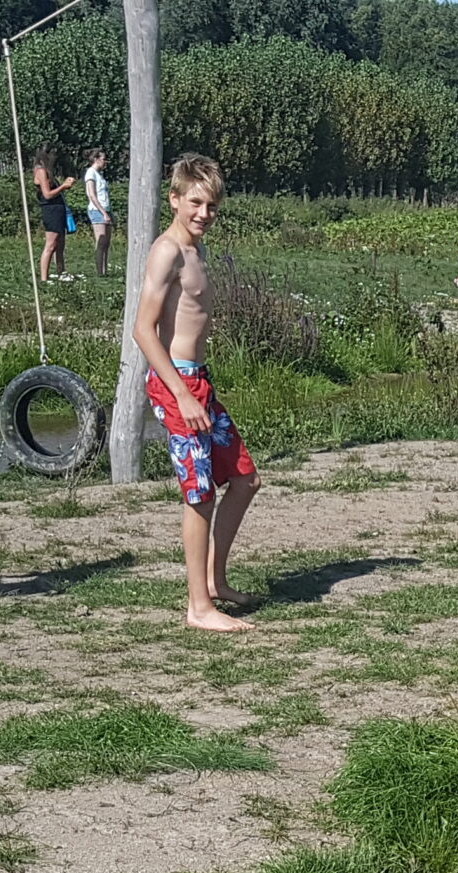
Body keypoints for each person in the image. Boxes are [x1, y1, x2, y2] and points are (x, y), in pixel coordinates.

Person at [134, 152, 258, 635]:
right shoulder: (166, 251)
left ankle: (215, 580)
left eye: (211, 205)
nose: (204, 213)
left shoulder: (197, 250)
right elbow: (144, 331)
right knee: (199, 493)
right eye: (195, 203)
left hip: (198, 380)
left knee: (245, 479)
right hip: (176, 384)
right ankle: (198, 607)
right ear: (175, 200)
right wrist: (181, 395)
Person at [33, 149, 70, 283]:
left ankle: (61, 272)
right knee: (51, 244)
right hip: (51, 210)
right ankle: (44, 278)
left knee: (60, 243)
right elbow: (47, 194)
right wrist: (63, 186)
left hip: (58, 209)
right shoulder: (41, 171)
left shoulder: (49, 172)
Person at [82, 146, 112, 278]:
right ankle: (100, 271)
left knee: (106, 242)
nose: (105, 162)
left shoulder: (100, 175)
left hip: (106, 209)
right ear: (96, 159)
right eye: (103, 159)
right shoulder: (91, 173)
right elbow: (92, 195)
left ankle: (105, 270)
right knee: (100, 242)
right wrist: (103, 212)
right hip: (97, 210)